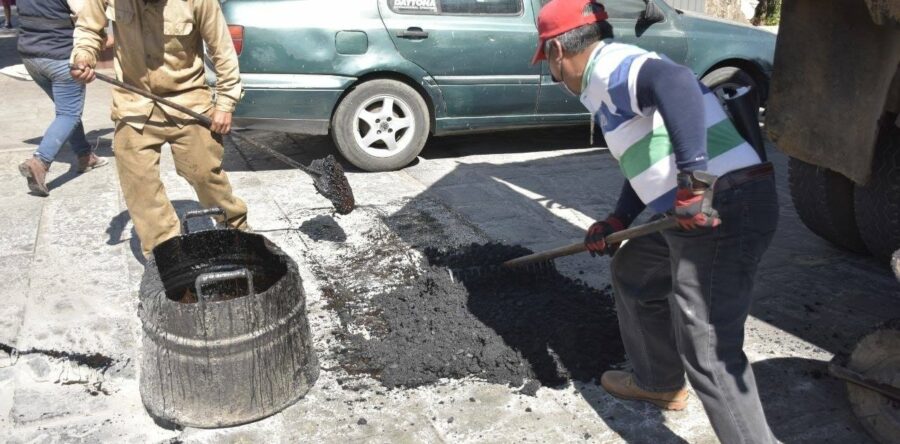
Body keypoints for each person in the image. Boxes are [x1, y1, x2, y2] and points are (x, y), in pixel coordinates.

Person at [532, 1, 778, 442]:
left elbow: (676, 82)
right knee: (635, 271)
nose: (554, 77)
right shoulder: (607, 77)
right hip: (696, 213)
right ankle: (658, 382)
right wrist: (618, 218)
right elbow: (646, 157)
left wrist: (694, 181)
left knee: (709, 350)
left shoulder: (609, 66)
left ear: (557, 52)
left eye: (548, 65)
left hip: (722, 207)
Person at [70, 0, 248, 257]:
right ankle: (165, 254)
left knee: (206, 176)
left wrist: (225, 102)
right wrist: (84, 56)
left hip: (188, 100)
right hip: (133, 102)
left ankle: (237, 231)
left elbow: (222, 48)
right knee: (139, 186)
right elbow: (88, 29)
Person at [16, 0, 108, 197]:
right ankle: (40, 161)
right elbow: (88, 14)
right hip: (60, 56)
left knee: (67, 111)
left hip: (30, 56)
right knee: (68, 114)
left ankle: (85, 156)